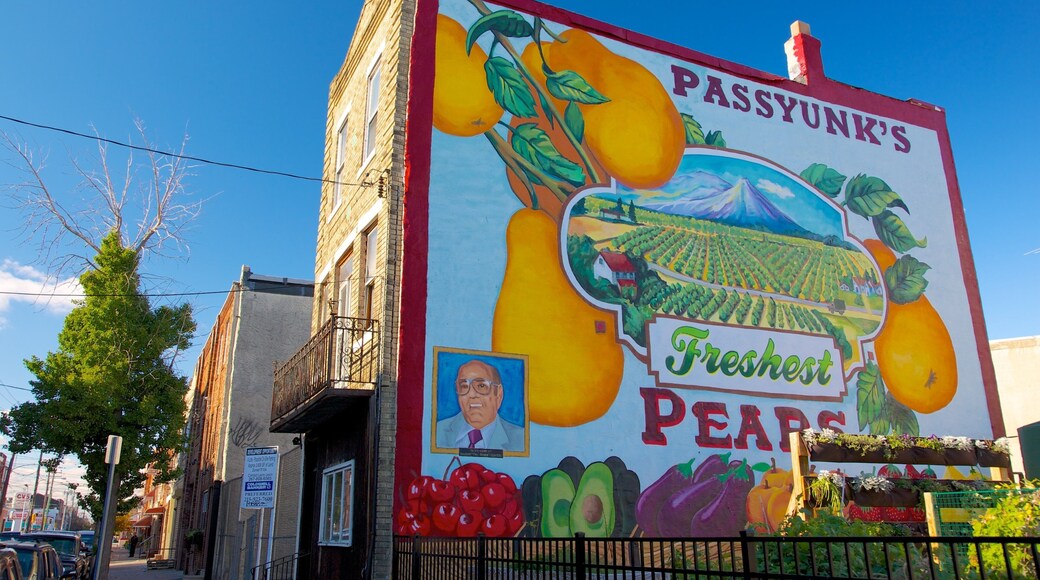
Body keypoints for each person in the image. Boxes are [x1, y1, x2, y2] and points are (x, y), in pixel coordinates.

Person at [435, 359, 524, 451]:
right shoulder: (436, 432)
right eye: (464, 386)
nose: (472, 395)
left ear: (498, 394)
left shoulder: (521, 440)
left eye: (481, 386)